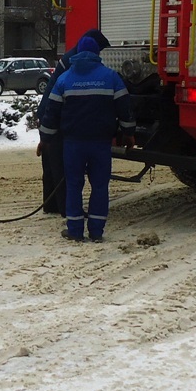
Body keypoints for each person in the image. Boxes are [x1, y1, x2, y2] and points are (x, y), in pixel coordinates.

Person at [38, 35, 134, 242]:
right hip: (100, 143)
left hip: (73, 144)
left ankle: (75, 231)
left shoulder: (64, 79)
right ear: (97, 54)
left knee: (73, 185)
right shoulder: (111, 77)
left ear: (78, 53)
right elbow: (125, 109)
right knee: (100, 186)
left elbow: (51, 114)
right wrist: (128, 133)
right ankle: (97, 232)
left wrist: (45, 139)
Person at [36, 28, 111, 214]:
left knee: (51, 164)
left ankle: (51, 205)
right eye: (99, 49)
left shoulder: (71, 56)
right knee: (62, 167)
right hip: (54, 116)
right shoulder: (76, 62)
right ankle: (65, 209)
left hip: (47, 114)